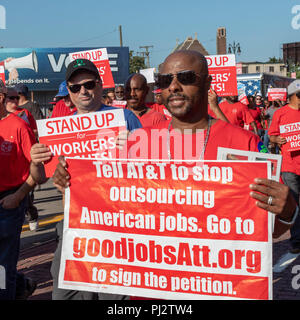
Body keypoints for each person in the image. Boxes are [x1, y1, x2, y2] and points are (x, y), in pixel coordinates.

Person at [51, 51, 298, 300]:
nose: (174, 87)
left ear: (208, 83)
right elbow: (104, 206)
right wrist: (70, 180)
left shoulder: (244, 144)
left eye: (186, 77)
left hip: (216, 286)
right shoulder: (138, 143)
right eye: (165, 80)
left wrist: (287, 212)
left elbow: (268, 230)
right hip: (150, 292)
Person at [30, 58, 142, 300]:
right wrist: (35, 161)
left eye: (89, 84)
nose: (83, 91)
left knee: (112, 298)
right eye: (75, 87)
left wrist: (136, 149)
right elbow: (39, 178)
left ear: (101, 86)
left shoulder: (125, 118)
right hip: (74, 226)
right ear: (68, 91)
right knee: (64, 295)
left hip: (117, 227)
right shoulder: (58, 129)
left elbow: (152, 173)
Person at [0, 81, 37, 300]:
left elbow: (38, 172)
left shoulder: (18, 126)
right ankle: (22, 285)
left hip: (9, 204)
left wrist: (18, 197)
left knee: (3, 267)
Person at [268, 79, 300, 253]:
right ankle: (296, 240)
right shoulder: (281, 113)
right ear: (291, 97)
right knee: (294, 203)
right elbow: (271, 136)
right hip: (289, 165)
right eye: (299, 96)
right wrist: (276, 139)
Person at [5, 88, 39, 231]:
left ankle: (31, 215)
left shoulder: (25, 114)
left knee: (27, 197)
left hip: (23, 166)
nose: (14, 101)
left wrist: (25, 133)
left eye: (16, 98)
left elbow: (36, 130)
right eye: (11, 98)